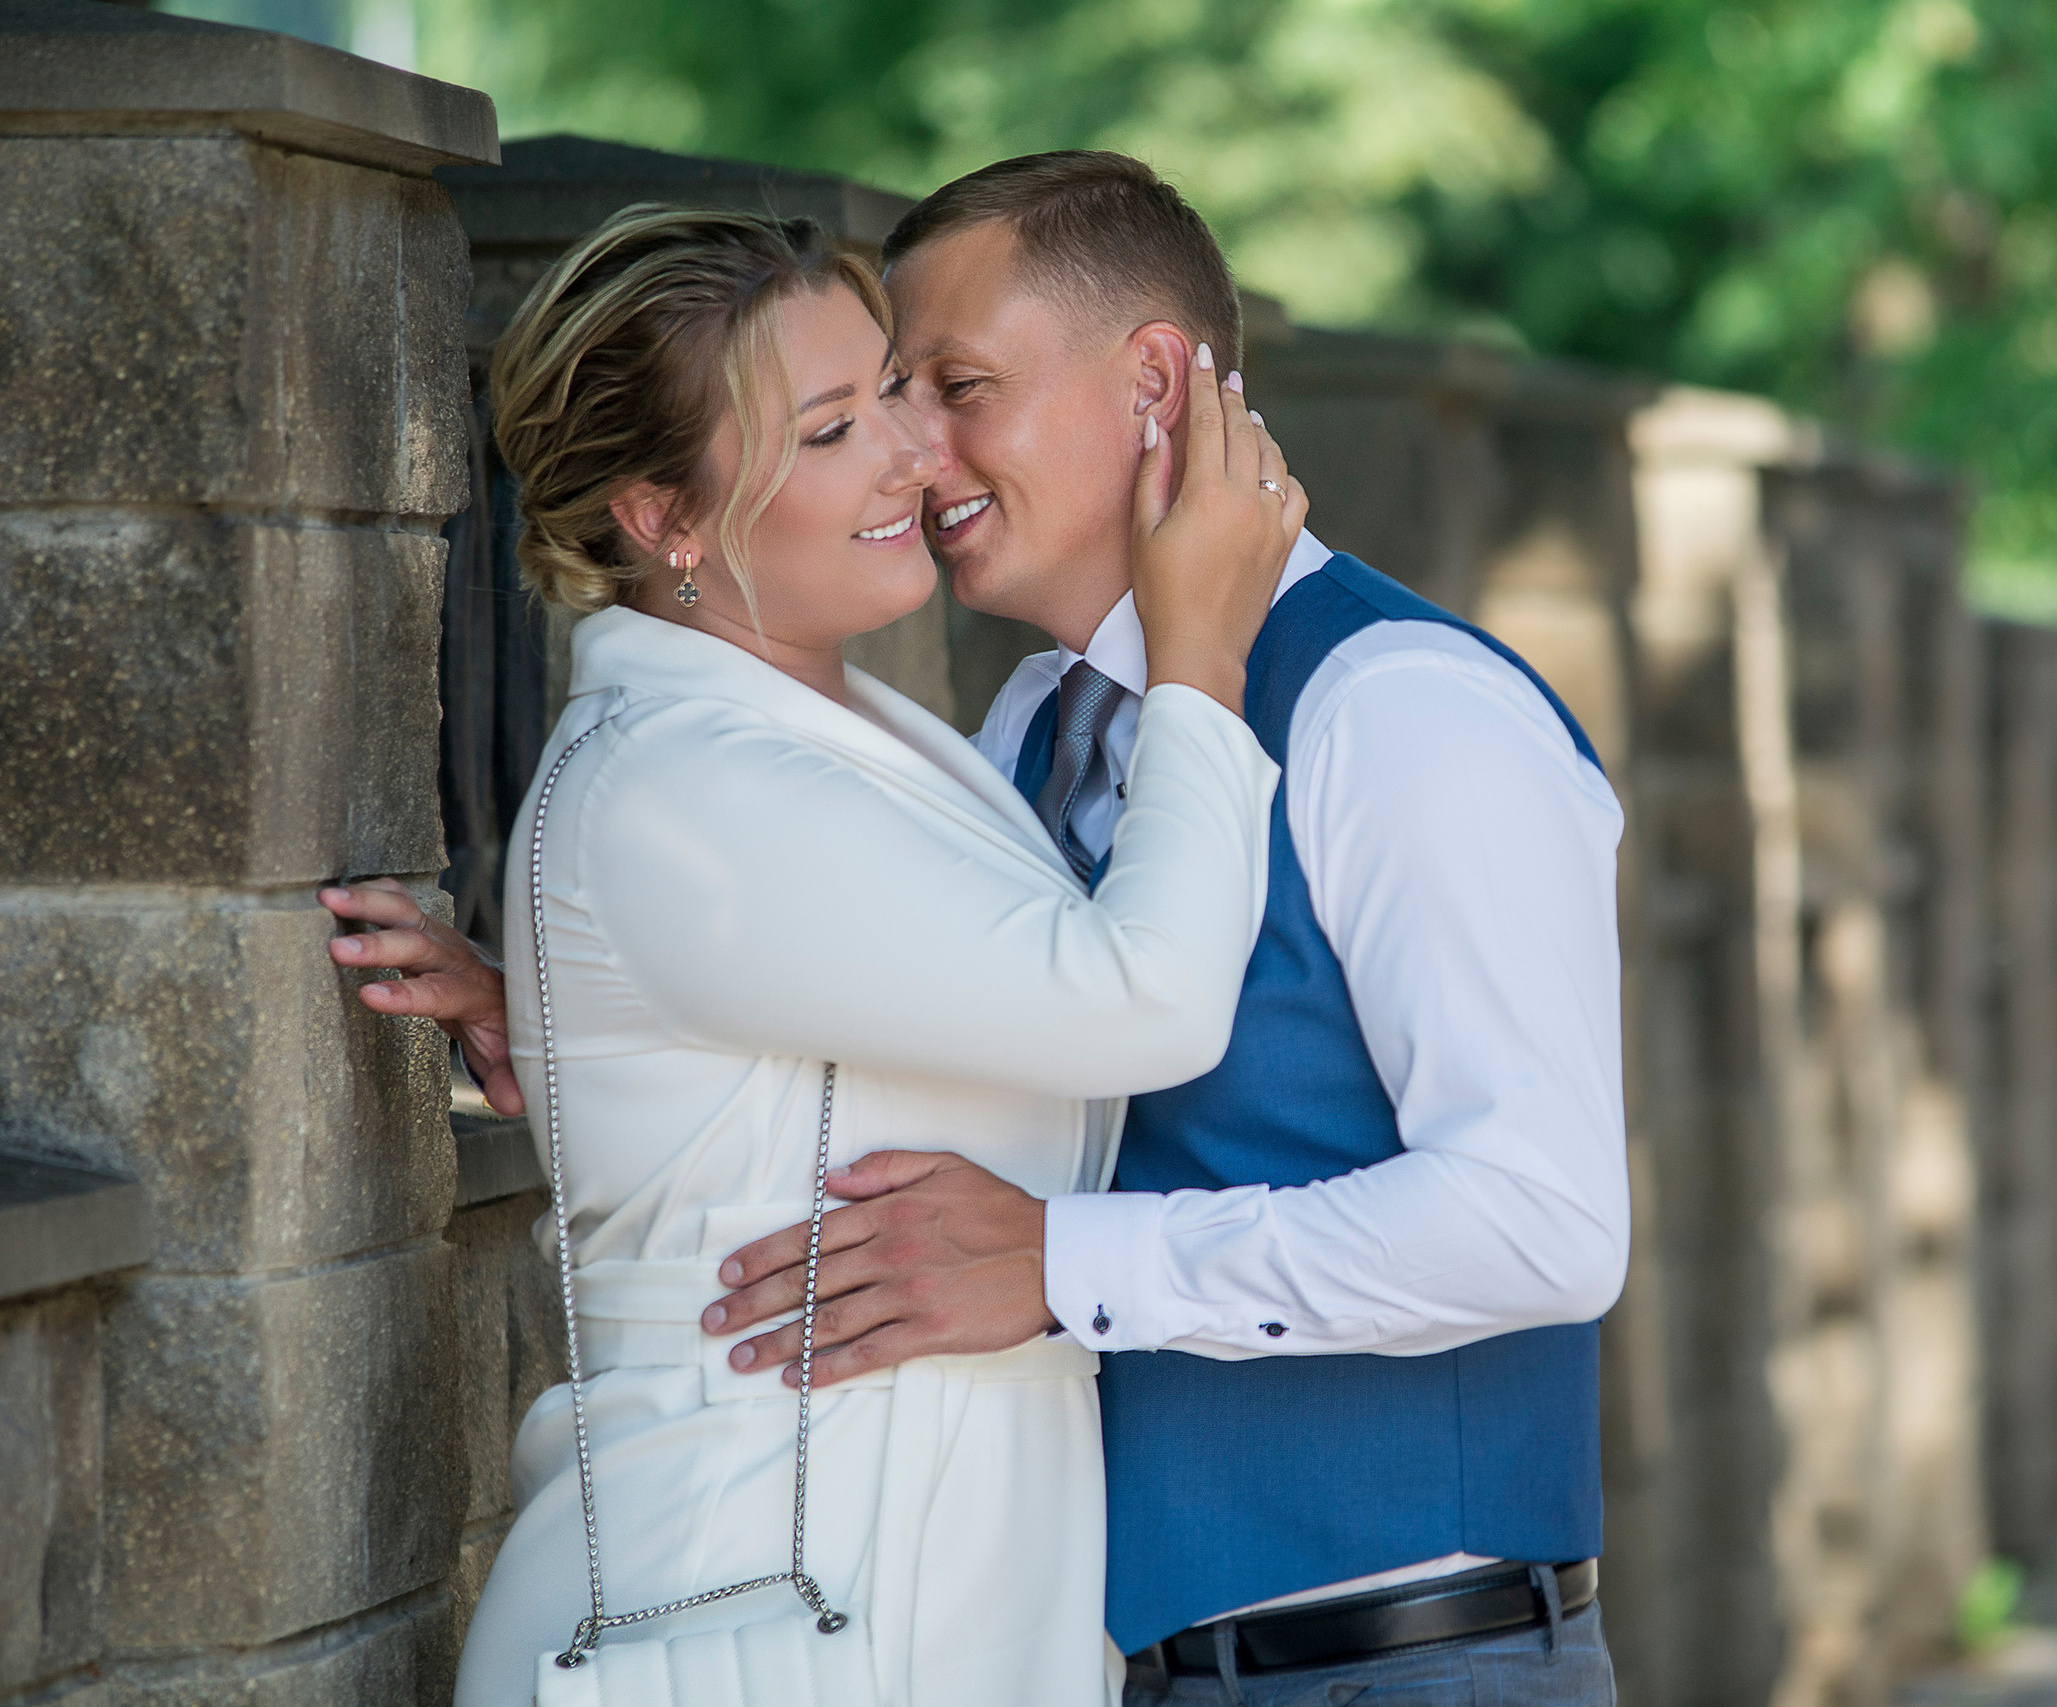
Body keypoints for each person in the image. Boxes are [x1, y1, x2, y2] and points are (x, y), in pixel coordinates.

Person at [345, 154, 1629, 1706]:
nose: (914, 450)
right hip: (1065, 1649)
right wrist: (594, 1029)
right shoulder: (1029, 728)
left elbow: (1543, 1224)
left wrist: (1064, 1264)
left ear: (1155, 383)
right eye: (876, 402)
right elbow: (939, 1045)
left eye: (951, 386)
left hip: (1399, 1660)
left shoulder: (1404, 712)